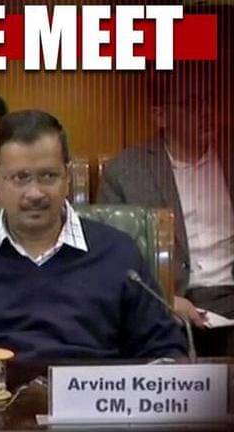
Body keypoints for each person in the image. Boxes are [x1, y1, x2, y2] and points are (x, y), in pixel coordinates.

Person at [0, 110, 187, 362]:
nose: (35, 193)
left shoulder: (118, 253)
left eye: (48, 176)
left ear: (67, 177)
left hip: (94, 397)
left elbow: (164, 351)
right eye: (20, 178)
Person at [98, 65, 234, 355]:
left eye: (209, 100)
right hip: (170, 303)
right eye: (193, 103)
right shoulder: (126, 172)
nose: (206, 111)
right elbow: (110, 258)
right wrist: (164, 298)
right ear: (160, 115)